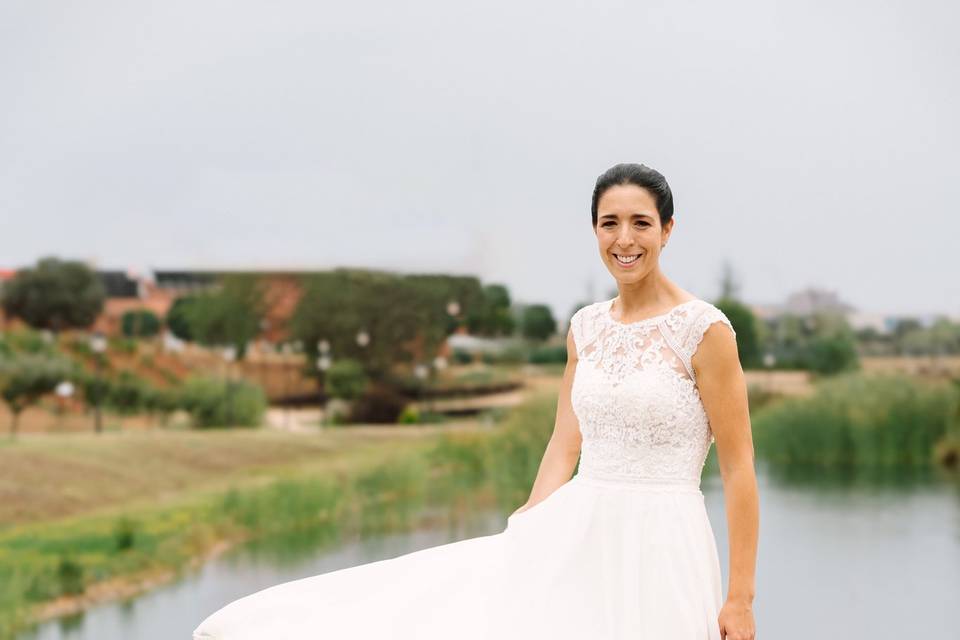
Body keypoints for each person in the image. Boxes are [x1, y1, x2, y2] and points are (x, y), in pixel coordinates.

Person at [193, 162, 759, 640]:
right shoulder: (585, 328)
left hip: (664, 543)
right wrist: (531, 525)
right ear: (594, 231)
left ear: (667, 230)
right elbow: (565, 444)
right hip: (579, 534)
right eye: (610, 223)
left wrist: (739, 597)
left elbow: (737, 471)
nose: (625, 239)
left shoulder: (703, 330)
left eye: (641, 223)